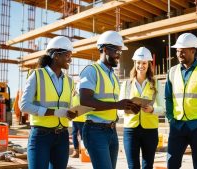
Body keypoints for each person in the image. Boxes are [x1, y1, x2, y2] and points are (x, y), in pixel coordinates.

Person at [79, 30, 140, 169]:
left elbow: (111, 104)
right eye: (117, 51)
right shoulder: (91, 70)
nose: (119, 55)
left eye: (120, 52)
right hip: (95, 131)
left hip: (111, 130)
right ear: (105, 49)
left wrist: (127, 106)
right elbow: (85, 101)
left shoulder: (113, 75)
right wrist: (117, 104)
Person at [20, 36, 77, 169]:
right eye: (68, 55)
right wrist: (52, 112)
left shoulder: (69, 81)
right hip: (41, 136)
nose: (71, 59)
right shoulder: (37, 75)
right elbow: (24, 105)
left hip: (62, 136)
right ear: (56, 56)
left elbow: (67, 107)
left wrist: (72, 113)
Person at [165, 33, 197, 169]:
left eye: (183, 51)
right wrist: (170, 118)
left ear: (193, 50)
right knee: (171, 163)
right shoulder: (172, 71)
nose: (179, 54)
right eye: (178, 51)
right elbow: (168, 97)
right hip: (177, 125)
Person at [119, 47, 165, 169]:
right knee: (133, 166)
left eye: (144, 63)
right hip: (130, 131)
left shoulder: (156, 84)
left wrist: (153, 110)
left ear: (148, 64)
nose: (141, 66)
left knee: (147, 166)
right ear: (135, 63)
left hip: (150, 131)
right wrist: (127, 109)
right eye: (138, 63)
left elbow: (163, 108)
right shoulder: (126, 84)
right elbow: (118, 111)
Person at [70, 91, 85, 158]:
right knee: (82, 136)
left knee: (74, 135)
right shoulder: (83, 97)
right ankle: (83, 152)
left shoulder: (73, 98)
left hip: (75, 119)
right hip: (82, 119)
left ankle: (76, 152)